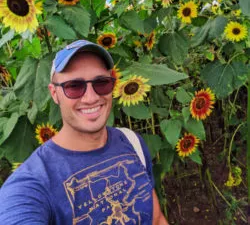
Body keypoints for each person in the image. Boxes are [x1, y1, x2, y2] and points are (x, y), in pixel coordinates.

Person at [0, 39, 169, 225]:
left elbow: (156, 219)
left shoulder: (132, 142)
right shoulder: (33, 183)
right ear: (54, 93)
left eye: (101, 83)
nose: (91, 97)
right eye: (74, 86)